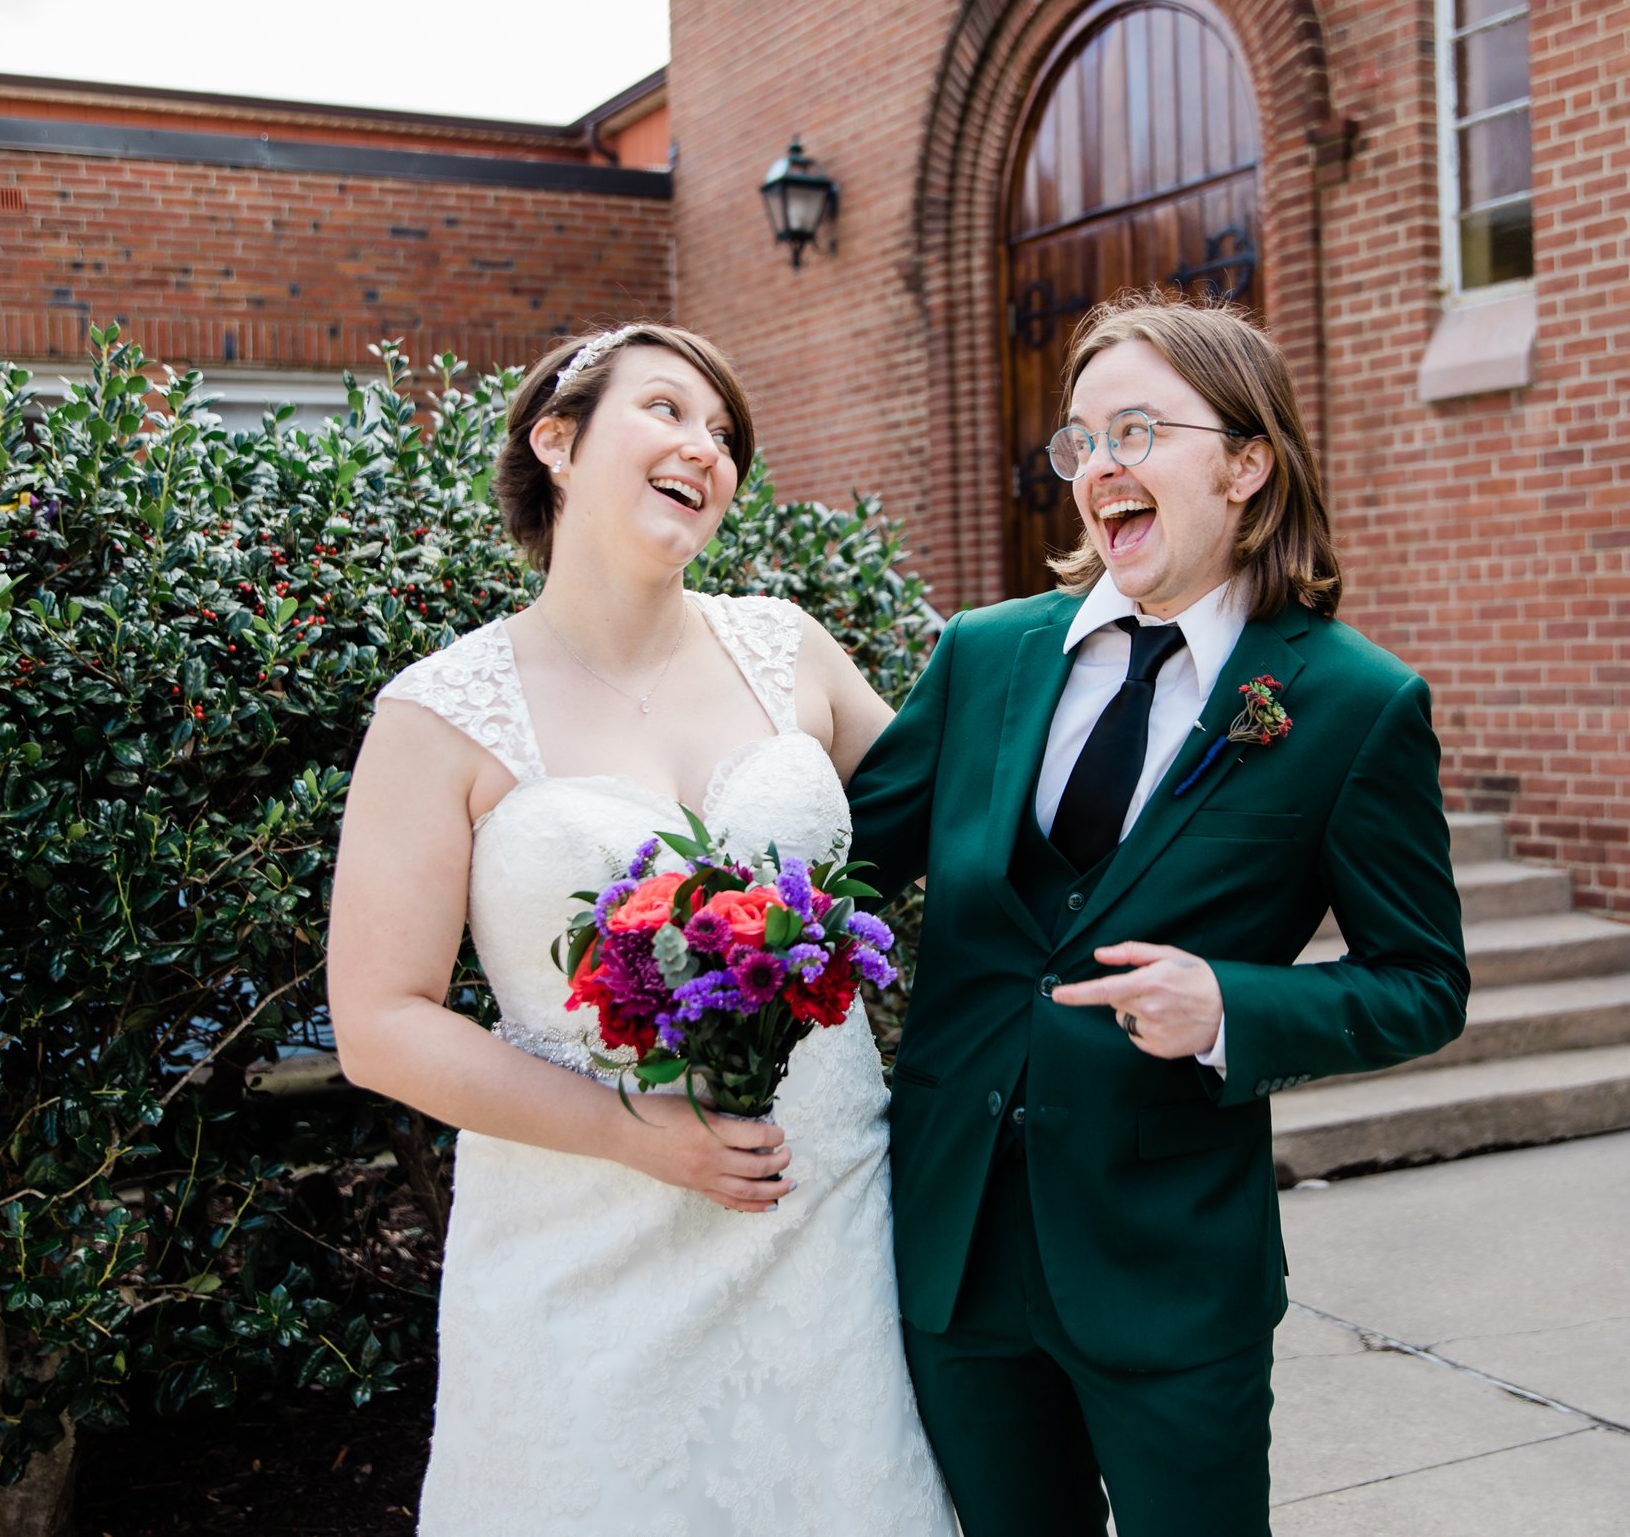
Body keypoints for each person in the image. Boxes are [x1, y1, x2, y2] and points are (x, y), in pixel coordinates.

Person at [848, 292, 1470, 1537]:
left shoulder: (1349, 702)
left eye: (1135, 428)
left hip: (1169, 1268)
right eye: (1079, 441)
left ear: (1245, 463)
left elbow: (1420, 981)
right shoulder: (983, 654)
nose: (1097, 467)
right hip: (954, 1248)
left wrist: (1231, 1004)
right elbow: (842, 874)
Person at [326, 324, 950, 1535]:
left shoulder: (788, 648)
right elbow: (380, 1024)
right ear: (556, 441)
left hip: (822, 1209)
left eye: (724, 435)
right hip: (582, 1239)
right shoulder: (440, 713)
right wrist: (631, 1132)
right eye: (667, 411)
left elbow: (959, 827)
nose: (704, 449)